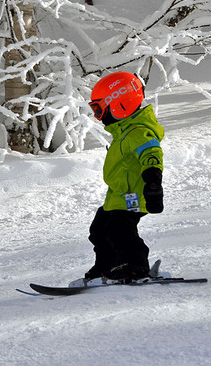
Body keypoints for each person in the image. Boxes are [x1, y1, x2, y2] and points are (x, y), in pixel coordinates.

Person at [85, 71, 165, 282]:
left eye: (99, 109)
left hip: (134, 195)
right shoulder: (123, 132)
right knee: (100, 230)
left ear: (120, 104)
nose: (98, 116)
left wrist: (153, 180)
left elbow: (151, 153)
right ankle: (107, 266)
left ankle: (134, 267)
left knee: (120, 231)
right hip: (118, 196)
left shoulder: (138, 132)